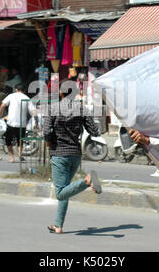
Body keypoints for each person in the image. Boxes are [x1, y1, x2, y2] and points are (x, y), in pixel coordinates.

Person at [43, 79, 102, 234]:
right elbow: (95, 131)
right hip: (75, 154)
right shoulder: (82, 109)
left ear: (61, 93)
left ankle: (86, 181)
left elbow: (46, 131)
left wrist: (49, 142)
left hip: (59, 153)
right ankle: (58, 225)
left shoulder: (53, 108)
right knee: (66, 189)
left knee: (60, 192)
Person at [0, 83, 33, 163]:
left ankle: (12, 157)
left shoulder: (11, 96)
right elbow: (33, 111)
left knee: (8, 140)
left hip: (11, 123)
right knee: (20, 140)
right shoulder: (27, 98)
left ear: (16, 89)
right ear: (24, 91)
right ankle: (20, 155)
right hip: (22, 124)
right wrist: (36, 122)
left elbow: (2, 106)